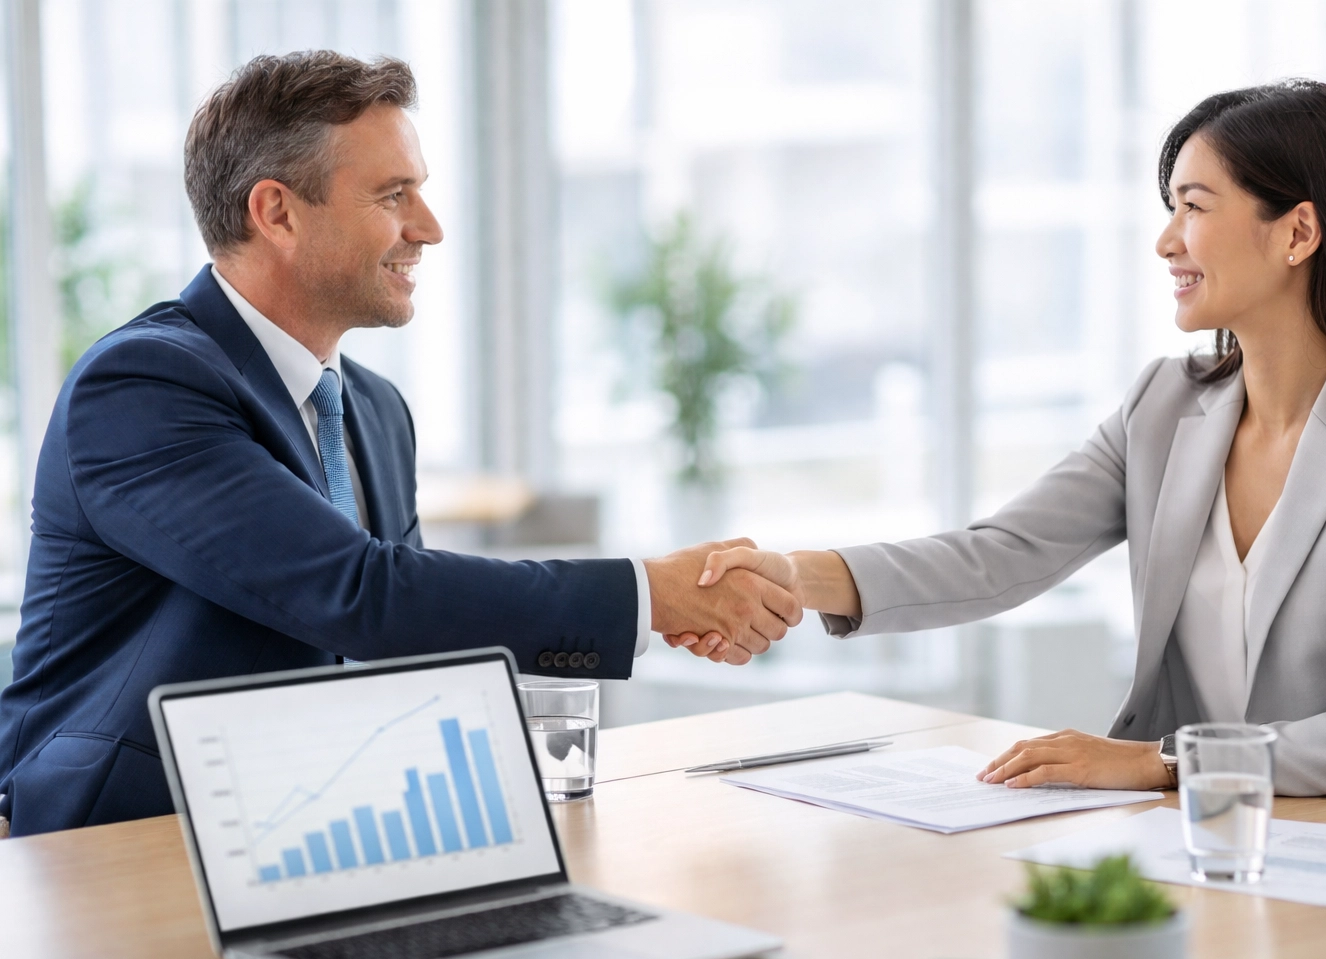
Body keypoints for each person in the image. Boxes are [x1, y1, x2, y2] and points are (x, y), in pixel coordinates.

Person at [0, 51, 799, 837]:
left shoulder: (373, 411)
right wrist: (651, 597)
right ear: (276, 212)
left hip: (309, 837)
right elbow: (360, 595)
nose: (430, 227)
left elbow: (408, 644)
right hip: (120, 841)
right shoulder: (142, 385)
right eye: (394, 194)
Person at [675, 80, 1326, 817]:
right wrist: (794, 574)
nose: (1166, 241)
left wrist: (1153, 762)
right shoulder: (1165, 406)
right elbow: (1001, 554)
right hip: (1216, 839)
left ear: (1298, 232)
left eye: (1194, 207)